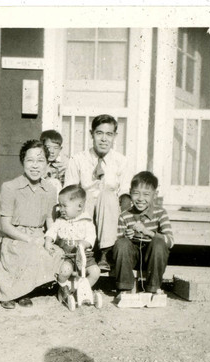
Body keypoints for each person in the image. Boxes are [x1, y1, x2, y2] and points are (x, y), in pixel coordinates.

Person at [0, 139, 64, 309]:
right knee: (27, 251)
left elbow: (49, 220)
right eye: (30, 160)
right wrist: (29, 239)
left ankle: (25, 290)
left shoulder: (50, 189)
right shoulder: (10, 187)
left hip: (39, 235)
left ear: (47, 163)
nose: (35, 166)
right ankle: (8, 293)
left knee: (57, 254)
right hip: (15, 236)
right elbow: (6, 226)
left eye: (40, 161)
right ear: (22, 161)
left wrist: (49, 240)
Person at [64, 114, 131, 270]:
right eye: (99, 133)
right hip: (85, 210)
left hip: (111, 213)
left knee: (107, 194)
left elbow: (125, 193)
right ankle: (84, 252)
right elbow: (69, 192)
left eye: (109, 134)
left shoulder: (121, 161)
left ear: (115, 136)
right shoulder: (78, 159)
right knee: (86, 195)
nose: (104, 139)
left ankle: (105, 254)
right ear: (91, 134)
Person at [112, 171, 174, 295]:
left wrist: (147, 232)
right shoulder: (125, 216)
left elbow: (170, 242)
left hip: (153, 259)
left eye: (146, 194)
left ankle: (153, 288)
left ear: (155, 195)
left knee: (158, 242)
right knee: (122, 243)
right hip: (133, 258)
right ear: (130, 192)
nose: (140, 199)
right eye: (136, 193)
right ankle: (125, 288)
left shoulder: (160, 213)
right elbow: (118, 244)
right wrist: (127, 236)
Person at [44, 185, 100, 303]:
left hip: (85, 256)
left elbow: (91, 236)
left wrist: (84, 244)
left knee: (95, 272)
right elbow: (52, 231)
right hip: (67, 256)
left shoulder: (87, 221)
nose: (61, 209)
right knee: (65, 271)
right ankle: (63, 287)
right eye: (60, 205)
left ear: (79, 206)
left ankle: (82, 289)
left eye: (64, 206)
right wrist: (48, 241)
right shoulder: (60, 221)